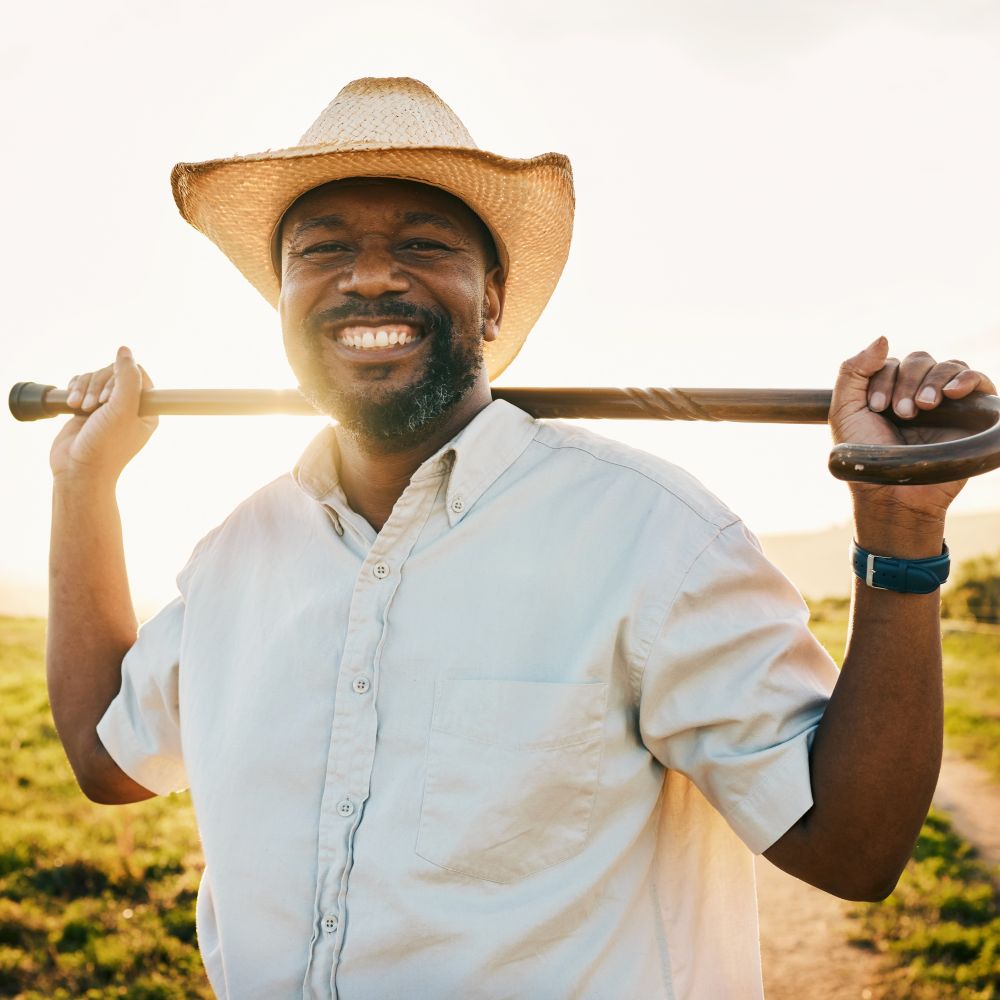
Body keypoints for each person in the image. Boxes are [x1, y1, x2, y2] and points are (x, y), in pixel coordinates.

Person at [45, 78, 996, 1000]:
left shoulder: (653, 536)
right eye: (322, 248)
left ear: (492, 302)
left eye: (422, 244)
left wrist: (899, 524)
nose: (369, 274)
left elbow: (855, 848)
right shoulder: (233, 557)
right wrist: (82, 484)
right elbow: (107, 759)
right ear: (284, 302)